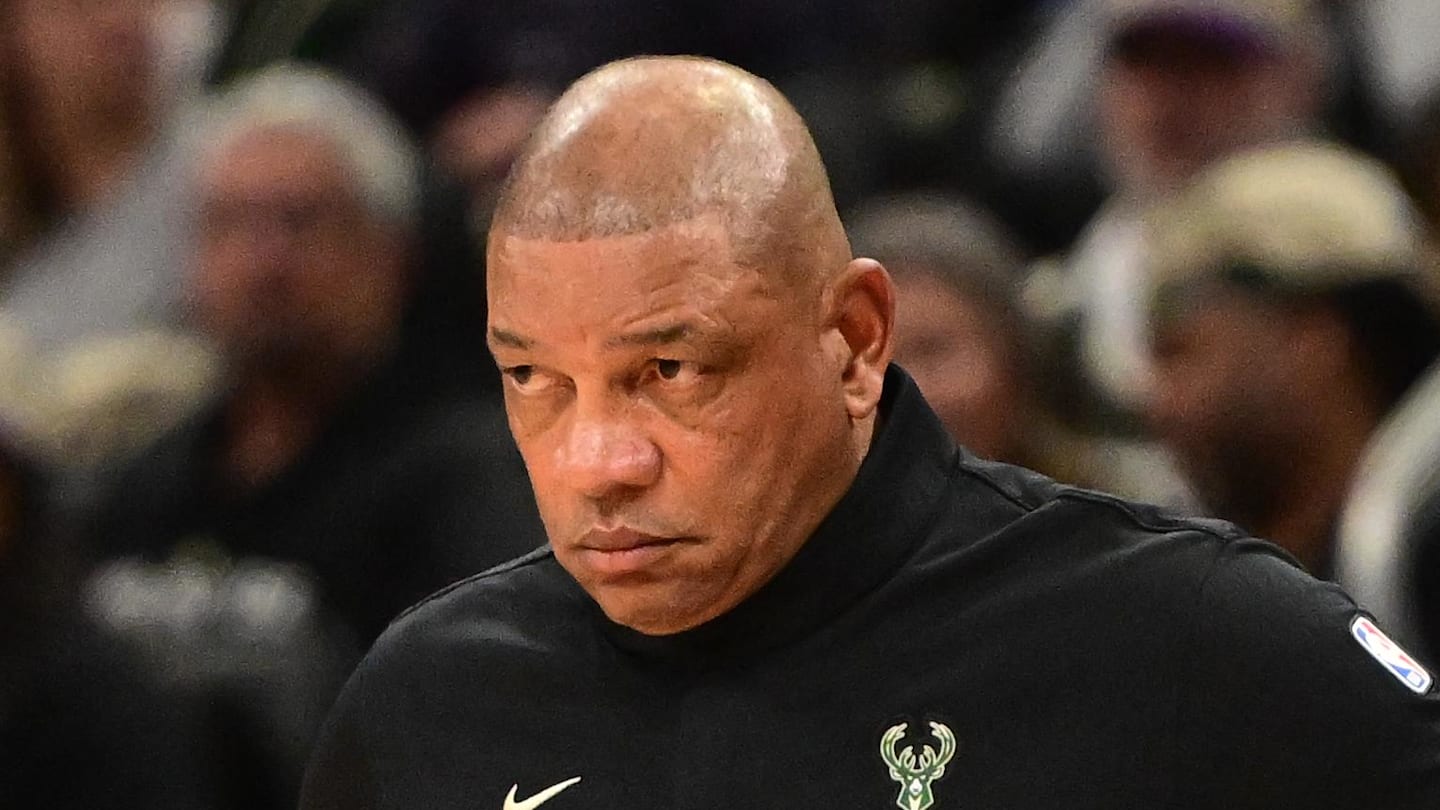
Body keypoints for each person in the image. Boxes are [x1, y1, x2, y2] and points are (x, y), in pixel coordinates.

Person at [300, 56, 1440, 810]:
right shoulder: (428, 708)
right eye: (534, 377)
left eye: (670, 370)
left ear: (852, 339)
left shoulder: (1197, 640)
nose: (599, 462)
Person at [1143, 140, 1440, 657]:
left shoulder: (1420, 545)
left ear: (1311, 340)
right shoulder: (1193, 565)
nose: (1157, 401)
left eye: (1180, 352)